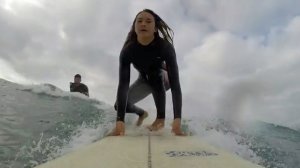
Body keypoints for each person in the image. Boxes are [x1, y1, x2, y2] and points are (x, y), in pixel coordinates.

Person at [110, 9, 184, 136]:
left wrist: (177, 119)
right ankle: (142, 114)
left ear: (155, 28)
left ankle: (160, 118)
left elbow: (175, 85)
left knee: (155, 76)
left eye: (148, 21)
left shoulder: (165, 47)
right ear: (135, 27)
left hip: (164, 79)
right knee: (119, 106)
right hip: (143, 79)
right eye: (139, 21)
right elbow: (123, 85)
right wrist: (119, 122)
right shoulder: (128, 51)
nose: (143, 24)